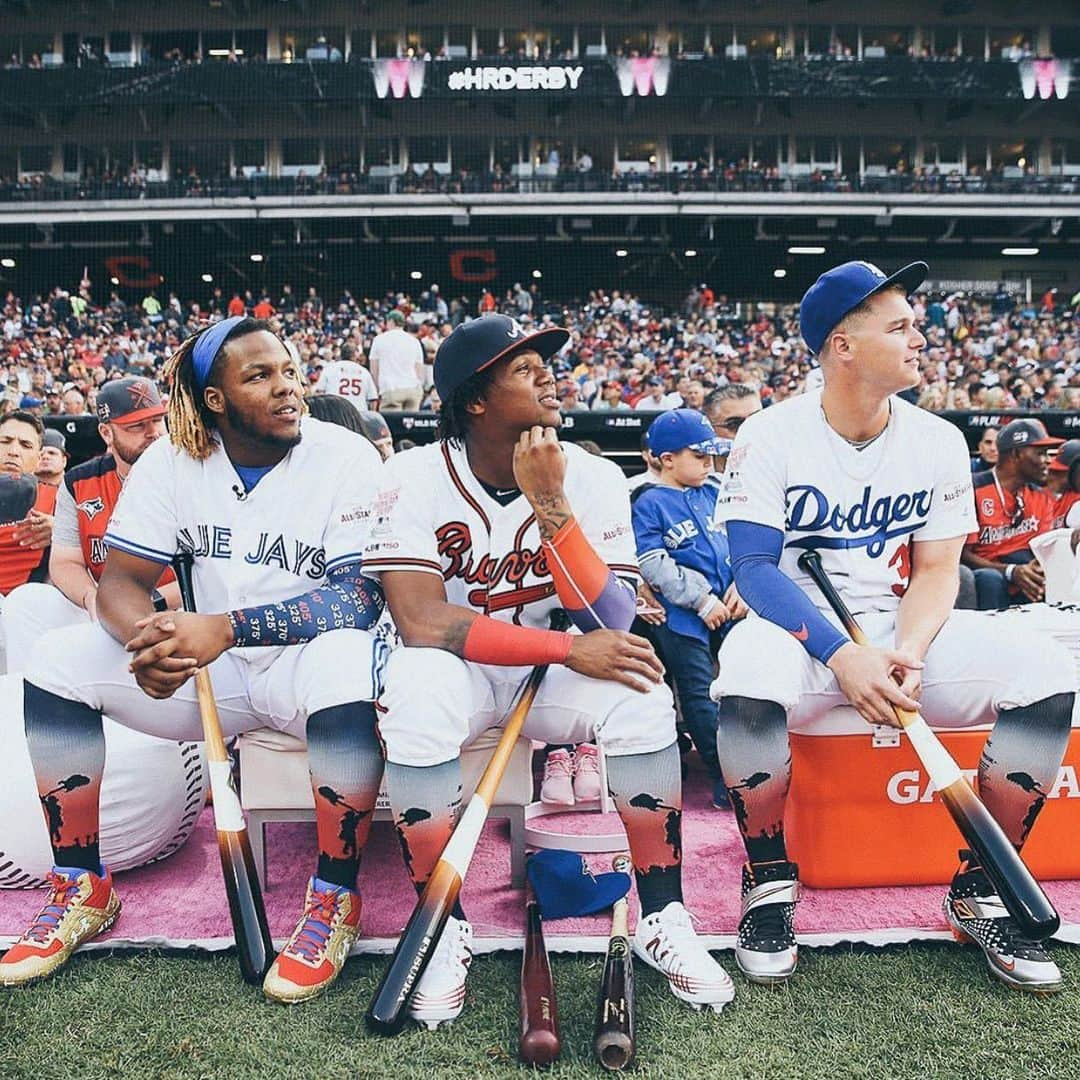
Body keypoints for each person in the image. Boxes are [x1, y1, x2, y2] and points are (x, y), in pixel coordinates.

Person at [0, 317, 389, 1008]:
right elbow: (119, 582)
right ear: (214, 399)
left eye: (290, 373)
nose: (287, 389)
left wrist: (225, 627)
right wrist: (147, 642)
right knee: (57, 659)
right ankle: (81, 887)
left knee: (345, 658)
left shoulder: (346, 454)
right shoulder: (173, 460)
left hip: (305, 665)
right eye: (260, 376)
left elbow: (357, 598)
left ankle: (334, 899)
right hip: (214, 672)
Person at [711, 260, 1075, 994]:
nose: (921, 338)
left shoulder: (937, 438)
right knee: (744, 675)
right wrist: (844, 655)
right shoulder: (769, 433)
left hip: (901, 624)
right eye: (901, 326)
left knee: (1049, 675)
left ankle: (980, 890)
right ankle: (770, 881)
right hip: (798, 629)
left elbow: (940, 570)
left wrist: (908, 649)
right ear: (842, 345)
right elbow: (754, 569)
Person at [364, 314, 734, 1028]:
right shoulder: (408, 474)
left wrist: (551, 505)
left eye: (546, 365)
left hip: (551, 668)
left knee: (641, 687)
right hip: (460, 668)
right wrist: (565, 650)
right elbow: (424, 622)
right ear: (475, 399)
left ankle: (662, 915)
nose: (549, 377)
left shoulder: (588, 474)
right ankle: (442, 924)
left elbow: (611, 622)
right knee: (416, 686)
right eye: (525, 370)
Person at [2, 379, 173, 673]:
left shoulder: (192, 475)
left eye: (157, 420)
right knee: (27, 602)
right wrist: (93, 599)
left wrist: (144, 604)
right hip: (101, 606)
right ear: (106, 432)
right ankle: (30, 705)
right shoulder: (79, 482)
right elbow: (66, 562)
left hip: (174, 608)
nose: (153, 433)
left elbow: (209, 570)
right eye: (136, 426)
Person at [630, 409, 747, 810]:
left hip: (730, 604)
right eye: (699, 456)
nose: (708, 464)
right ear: (667, 459)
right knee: (699, 693)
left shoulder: (714, 490)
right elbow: (653, 563)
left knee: (743, 684)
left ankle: (752, 770)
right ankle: (723, 776)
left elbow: (741, 540)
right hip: (682, 614)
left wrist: (740, 583)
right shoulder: (648, 502)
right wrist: (701, 599)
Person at [962, 418, 1063, 610]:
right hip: (989, 578)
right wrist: (1010, 571)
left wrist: (1035, 569)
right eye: (1040, 453)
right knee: (989, 579)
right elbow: (961, 555)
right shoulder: (973, 489)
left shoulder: (1041, 496)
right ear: (1016, 454)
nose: (1048, 461)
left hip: (1028, 577)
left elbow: (1043, 547)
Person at [369, 311, 424, 411]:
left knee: (392, 425)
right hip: (413, 390)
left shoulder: (379, 340)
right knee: (410, 425)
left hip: (391, 389)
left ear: (391, 321)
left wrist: (376, 391)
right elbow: (419, 370)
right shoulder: (414, 341)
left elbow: (374, 370)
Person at [313, 345, 379, 410]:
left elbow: (319, 393)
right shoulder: (364, 372)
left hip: (335, 412)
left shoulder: (329, 369)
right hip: (358, 413)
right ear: (355, 355)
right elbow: (373, 399)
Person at [1048, 440, 1080, 529]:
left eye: (1058, 473)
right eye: (1052, 471)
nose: (1051, 477)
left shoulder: (1076, 499)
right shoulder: (1063, 496)